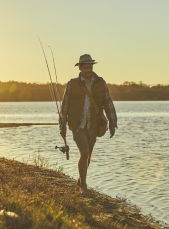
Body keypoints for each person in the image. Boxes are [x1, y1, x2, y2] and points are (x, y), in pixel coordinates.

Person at [59, 54, 118, 194]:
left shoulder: (100, 83)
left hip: (94, 124)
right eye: (85, 67)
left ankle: (81, 179)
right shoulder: (72, 84)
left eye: (90, 67)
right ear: (80, 68)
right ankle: (83, 186)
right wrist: (62, 124)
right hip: (77, 124)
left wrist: (112, 122)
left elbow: (108, 102)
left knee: (88, 155)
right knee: (84, 153)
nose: (88, 69)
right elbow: (65, 105)